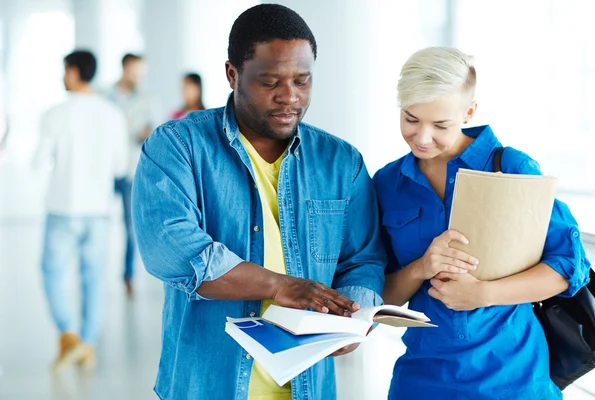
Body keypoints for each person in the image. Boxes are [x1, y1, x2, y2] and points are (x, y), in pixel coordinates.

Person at [132, 4, 385, 400]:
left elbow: (363, 259)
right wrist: (282, 286)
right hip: (206, 385)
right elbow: (170, 250)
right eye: (270, 82)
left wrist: (351, 318)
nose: (290, 97)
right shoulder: (177, 146)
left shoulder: (342, 162)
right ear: (233, 74)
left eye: (303, 81)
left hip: (308, 388)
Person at [374, 46, 591, 400]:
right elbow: (378, 294)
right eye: (411, 119)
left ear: (469, 111)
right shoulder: (387, 184)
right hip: (422, 379)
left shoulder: (512, 168)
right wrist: (420, 268)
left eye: (440, 124)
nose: (423, 137)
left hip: (515, 378)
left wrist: (482, 294)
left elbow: (567, 267)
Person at [34, 50, 128, 371]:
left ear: (73, 72)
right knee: (93, 278)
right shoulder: (113, 114)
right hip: (98, 209)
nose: (62, 77)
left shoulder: (54, 114)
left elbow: (38, 162)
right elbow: (120, 167)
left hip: (62, 206)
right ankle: (87, 345)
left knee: (52, 273)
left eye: (64, 71)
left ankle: (69, 334)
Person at [106, 53, 156, 297]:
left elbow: (150, 129)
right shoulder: (105, 97)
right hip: (104, 170)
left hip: (129, 170)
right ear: (124, 69)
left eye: (142, 73)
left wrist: (146, 132)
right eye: (136, 72)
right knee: (99, 223)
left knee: (130, 227)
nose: (139, 77)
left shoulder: (145, 99)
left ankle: (128, 276)